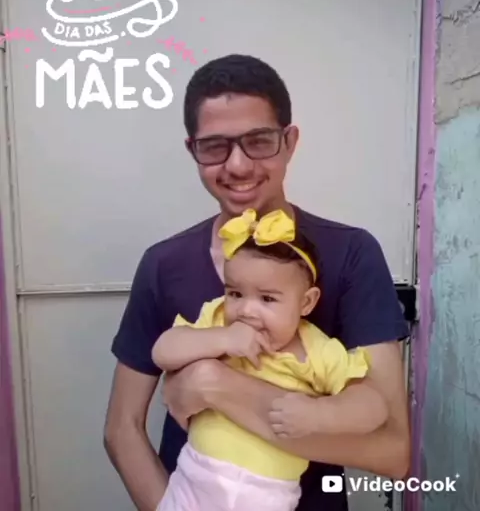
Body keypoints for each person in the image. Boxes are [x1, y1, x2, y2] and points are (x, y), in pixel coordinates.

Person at [104, 54, 411, 511]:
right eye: (214, 146)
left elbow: (392, 452)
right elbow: (121, 427)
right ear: (192, 150)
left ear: (289, 142)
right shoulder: (163, 264)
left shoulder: (351, 255)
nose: (238, 165)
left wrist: (214, 385)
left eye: (259, 141)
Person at [151, 207, 389, 511]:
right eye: (235, 293)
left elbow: (374, 405)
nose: (246, 310)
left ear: (306, 302)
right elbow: (163, 351)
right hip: (194, 480)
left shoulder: (315, 350)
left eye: (267, 299)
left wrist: (320, 414)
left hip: (267, 495)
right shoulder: (218, 318)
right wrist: (220, 339)